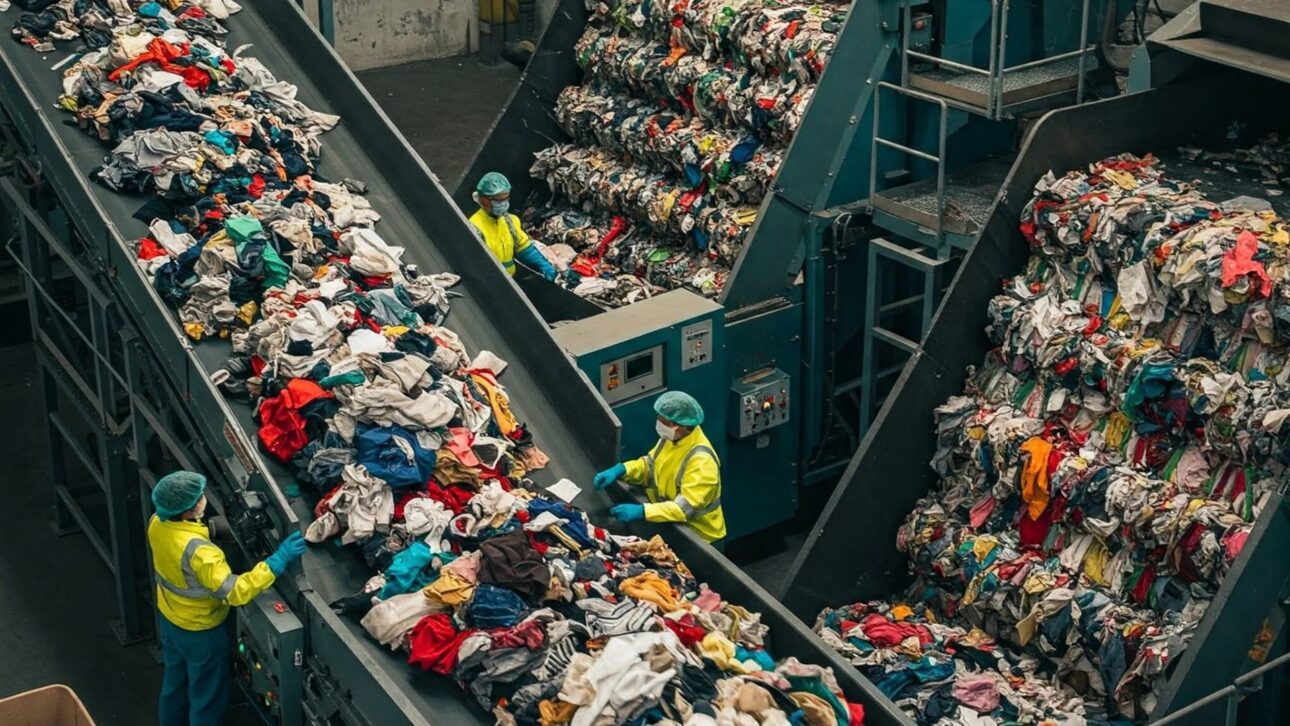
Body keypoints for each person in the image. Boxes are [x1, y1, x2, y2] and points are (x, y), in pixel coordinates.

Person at [149, 471, 309, 726]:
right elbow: (236, 591)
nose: (203, 499)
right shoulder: (201, 553)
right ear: (188, 511)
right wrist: (276, 561)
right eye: (199, 498)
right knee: (206, 695)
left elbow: (179, 543)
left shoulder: (157, 521)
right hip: (201, 631)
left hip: (171, 620)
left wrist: (208, 528)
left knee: (174, 683)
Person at [593, 391, 726, 543]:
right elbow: (650, 465)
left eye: (665, 422)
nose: (659, 424)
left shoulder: (702, 462)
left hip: (700, 538)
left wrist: (643, 511)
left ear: (680, 425)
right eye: (659, 418)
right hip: (671, 525)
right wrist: (622, 469)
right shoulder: (671, 439)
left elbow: (683, 509)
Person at [468, 171, 557, 281]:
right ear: (484, 200)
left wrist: (545, 266)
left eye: (506, 198)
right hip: (489, 282)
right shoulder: (475, 226)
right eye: (499, 200)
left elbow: (523, 246)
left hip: (509, 281)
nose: (504, 204)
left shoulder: (510, 220)